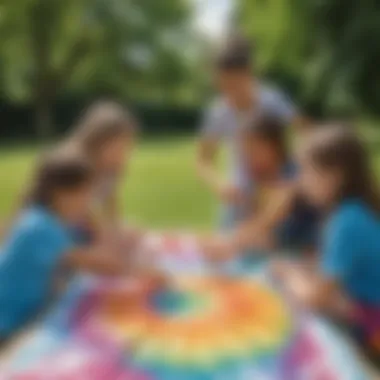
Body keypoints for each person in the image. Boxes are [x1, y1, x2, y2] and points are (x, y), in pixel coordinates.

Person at [0, 151, 134, 342]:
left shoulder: (51, 218)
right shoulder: (41, 227)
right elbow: (108, 265)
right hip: (6, 324)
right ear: (61, 194)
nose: (90, 202)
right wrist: (145, 271)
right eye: (86, 193)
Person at [274, 126, 380, 365]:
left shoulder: (347, 221)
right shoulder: (356, 209)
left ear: (335, 175)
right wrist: (302, 269)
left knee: (300, 305)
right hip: (369, 306)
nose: (300, 181)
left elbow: (314, 298)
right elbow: (331, 265)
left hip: (375, 328)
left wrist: (289, 274)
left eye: (306, 171)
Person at [197, 36, 303, 230]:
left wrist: (289, 177)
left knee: (276, 248)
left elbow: (306, 135)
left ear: (248, 75)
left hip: (274, 191)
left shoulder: (272, 101)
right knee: (230, 249)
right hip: (239, 194)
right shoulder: (218, 111)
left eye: (233, 84)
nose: (229, 92)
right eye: (223, 85)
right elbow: (203, 161)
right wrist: (220, 185)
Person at [202, 113, 318, 259]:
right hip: (282, 253)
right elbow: (263, 235)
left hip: (310, 257)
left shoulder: (293, 175)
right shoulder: (258, 177)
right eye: (244, 152)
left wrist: (229, 242)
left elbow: (266, 220)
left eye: (253, 151)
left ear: (275, 147)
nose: (247, 158)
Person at [66, 100, 139, 246]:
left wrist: (116, 228)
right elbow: (80, 211)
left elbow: (110, 200)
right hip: (63, 231)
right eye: (119, 146)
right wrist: (106, 234)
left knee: (132, 235)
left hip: (83, 229)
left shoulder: (112, 168)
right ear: (98, 141)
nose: (123, 152)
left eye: (127, 145)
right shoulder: (75, 166)